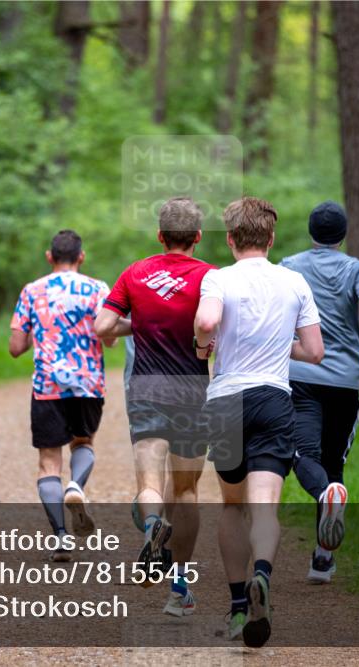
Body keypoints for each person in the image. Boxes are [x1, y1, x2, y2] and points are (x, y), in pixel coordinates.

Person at [193, 197, 324, 647]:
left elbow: (207, 320)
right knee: (265, 506)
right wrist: (278, 344)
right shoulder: (294, 281)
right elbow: (314, 351)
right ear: (270, 238)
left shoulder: (218, 277)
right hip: (273, 398)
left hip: (227, 400)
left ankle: (236, 606)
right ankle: (262, 576)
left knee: (232, 506)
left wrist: (202, 344)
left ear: (231, 239)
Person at [94, 197, 215, 617]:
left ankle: (150, 526)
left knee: (149, 481)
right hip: (193, 393)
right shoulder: (211, 277)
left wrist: (140, 323)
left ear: (160, 236)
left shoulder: (136, 273)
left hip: (146, 389)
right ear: (198, 236)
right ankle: (178, 587)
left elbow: (103, 327)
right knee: (186, 490)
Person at [280, 201, 359, 583]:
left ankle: (325, 496)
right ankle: (322, 559)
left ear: (311, 232)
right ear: (343, 235)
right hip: (344, 382)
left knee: (302, 455)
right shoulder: (357, 269)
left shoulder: (289, 266)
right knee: (333, 465)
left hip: (300, 376)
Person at [9, 229, 115, 562]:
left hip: (47, 386)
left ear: (49, 257)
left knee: (48, 462)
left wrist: (37, 333)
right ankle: (77, 486)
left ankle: (60, 536)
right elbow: (110, 338)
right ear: (81, 257)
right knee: (83, 443)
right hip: (87, 383)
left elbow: (15, 347)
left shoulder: (32, 291)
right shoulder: (98, 289)